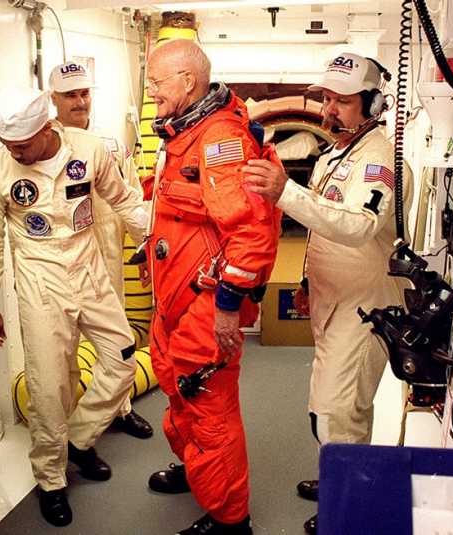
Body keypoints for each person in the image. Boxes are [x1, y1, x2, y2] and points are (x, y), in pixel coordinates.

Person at [242, 52, 412, 534]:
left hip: (364, 308)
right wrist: (304, 282)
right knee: (324, 404)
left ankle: (349, 507)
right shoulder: (339, 151)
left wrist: (285, 194)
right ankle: (335, 474)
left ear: (374, 103)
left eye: (344, 101)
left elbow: (359, 226)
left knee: (341, 412)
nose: (331, 110)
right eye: (328, 99)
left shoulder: (378, 158)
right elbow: (322, 226)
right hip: (330, 301)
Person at [0, 88, 149, 527]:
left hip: (90, 272)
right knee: (50, 387)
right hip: (40, 285)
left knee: (123, 359)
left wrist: (153, 243)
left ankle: (80, 438)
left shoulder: (88, 150)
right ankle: (52, 480)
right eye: (9, 146)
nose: (15, 152)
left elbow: (125, 199)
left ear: (47, 128)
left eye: (23, 145)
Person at [141, 39, 281, 535]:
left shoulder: (220, 141)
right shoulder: (184, 134)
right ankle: (199, 471)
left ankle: (229, 519)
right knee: (178, 391)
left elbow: (250, 232)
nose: (151, 90)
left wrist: (227, 308)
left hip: (205, 304)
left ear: (187, 82)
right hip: (174, 298)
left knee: (209, 408)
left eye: (157, 82)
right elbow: (184, 214)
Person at [48, 61, 153, 439]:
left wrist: (143, 246)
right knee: (66, 347)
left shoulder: (110, 144)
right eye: (70, 95)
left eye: (84, 93)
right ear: (53, 99)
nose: (79, 101)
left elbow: (133, 198)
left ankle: (120, 409)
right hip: (62, 261)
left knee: (118, 340)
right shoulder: (44, 146)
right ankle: (73, 424)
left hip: (107, 253)